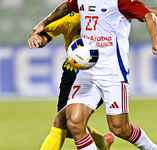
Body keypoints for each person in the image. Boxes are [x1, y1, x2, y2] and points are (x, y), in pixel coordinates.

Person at [29, 1, 157, 149]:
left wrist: (155, 38)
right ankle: (101, 144)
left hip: (113, 73)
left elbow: (148, 15)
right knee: (74, 123)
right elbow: (67, 6)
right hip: (87, 73)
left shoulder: (120, 1)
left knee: (119, 128)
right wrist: (43, 23)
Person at [28, 12, 115, 150]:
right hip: (72, 74)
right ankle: (102, 142)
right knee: (68, 124)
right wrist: (38, 39)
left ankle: (102, 142)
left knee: (63, 121)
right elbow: (45, 35)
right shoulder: (70, 16)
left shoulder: (108, 12)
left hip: (99, 75)